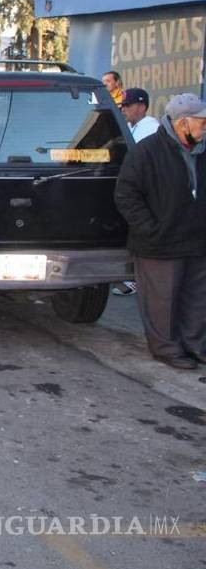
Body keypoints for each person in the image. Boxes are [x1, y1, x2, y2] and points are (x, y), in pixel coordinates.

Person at [113, 92, 206, 370]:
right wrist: (150, 228)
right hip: (159, 243)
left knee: (197, 298)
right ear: (183, 123)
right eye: (202, 123)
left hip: (198, 241)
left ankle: (195, 345)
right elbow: (126, 194)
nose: (205, 128)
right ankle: (166, 348)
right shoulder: (148, 151)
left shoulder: (202, 152)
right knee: (161, 301)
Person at [112, 88, 163, 296]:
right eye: (122, 106)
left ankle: (135, 280)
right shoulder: (134, 128)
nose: (124, 110)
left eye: (128, 106)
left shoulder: (150, 128)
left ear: (141, 107)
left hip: (149, 193)